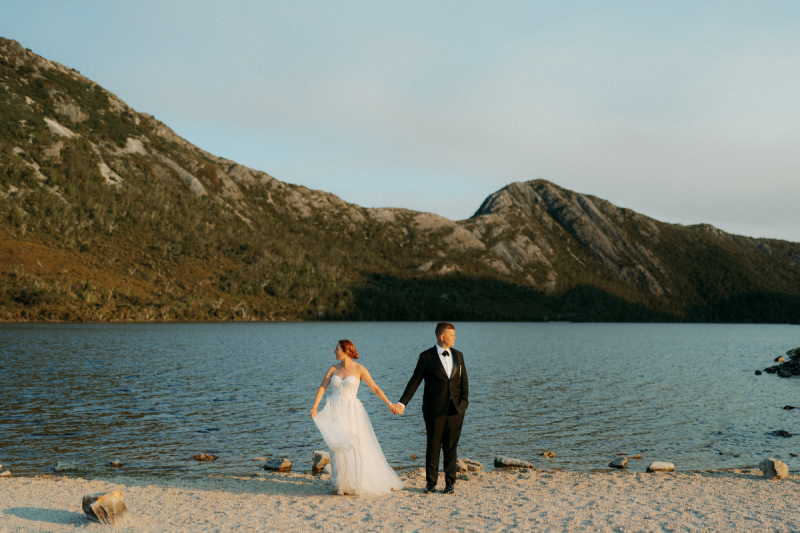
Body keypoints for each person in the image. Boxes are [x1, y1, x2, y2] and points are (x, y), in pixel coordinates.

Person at [310, 339, 404, 496]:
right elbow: (322, 386)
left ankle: (354, 483)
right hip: (335, 409)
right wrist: (315, 406)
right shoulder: (333, 368)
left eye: (337, 348)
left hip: (351, 411)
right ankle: (340, 485)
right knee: (336, 447)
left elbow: (374, 387)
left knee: (353, 445)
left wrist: (389, 403)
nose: (334, 351)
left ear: (346, 350)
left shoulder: (360, 369)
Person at [392, 322, 468, 494]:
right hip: (434, 411)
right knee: (433, 446)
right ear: (442, 337)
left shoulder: (459, 355)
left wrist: (464, 403)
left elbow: (464, 382)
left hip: (456, 410)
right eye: (452, 334)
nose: (455, 337)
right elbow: (415, 382)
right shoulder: (426, 357)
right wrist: (402, 403)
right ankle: (431, 484)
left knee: (451, 447)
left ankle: (450, 484)